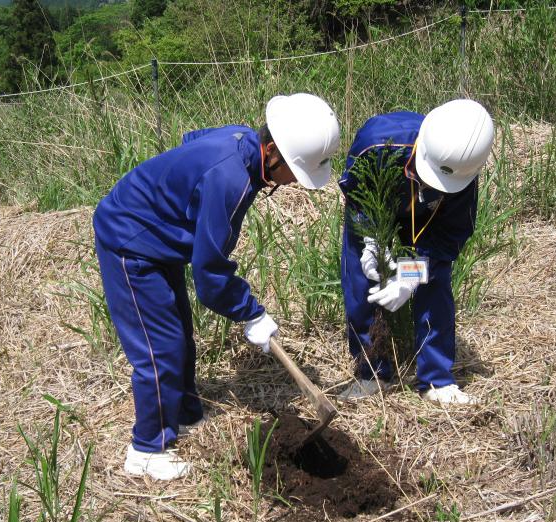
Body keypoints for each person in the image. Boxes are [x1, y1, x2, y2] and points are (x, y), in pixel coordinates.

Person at [93, 93, 340, 480]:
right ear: (272, 151)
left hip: (159, 237)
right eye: (293, 170)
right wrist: (251, 313)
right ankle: (147, 449)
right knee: (161, 348)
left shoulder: (240, 138)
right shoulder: (231, 181)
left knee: (181, 336)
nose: (294, 182)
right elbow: (209, 276)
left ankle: (186, 412)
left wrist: (179, 194)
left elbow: (193, 140)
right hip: (130, 240)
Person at [337, 99, 494, 405]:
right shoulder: (376, 143)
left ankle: (436, 381)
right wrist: (370, 238)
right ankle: (372, 372)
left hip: (428, 220)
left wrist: (409, 276)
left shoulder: (463, 174)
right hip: (380, 201)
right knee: (360, 276)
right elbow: (357, 194)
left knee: (434, 282)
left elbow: (445, 242)